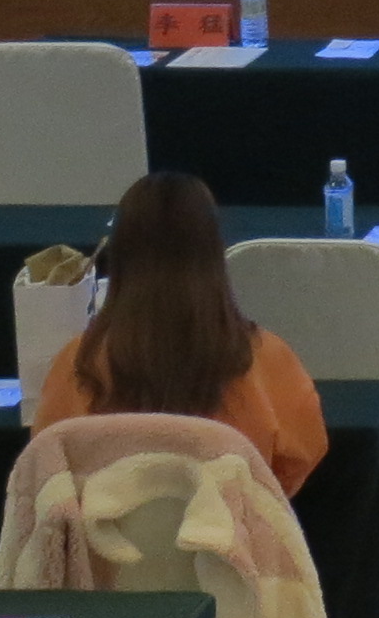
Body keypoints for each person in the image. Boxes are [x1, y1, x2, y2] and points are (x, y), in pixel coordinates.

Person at [33, 170, 329, 496]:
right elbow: (298, 461)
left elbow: (46, 461)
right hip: (232, 526)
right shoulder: (266, 359)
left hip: (103, 528)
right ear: (213, 252)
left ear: (120, 255)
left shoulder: (79, 361)